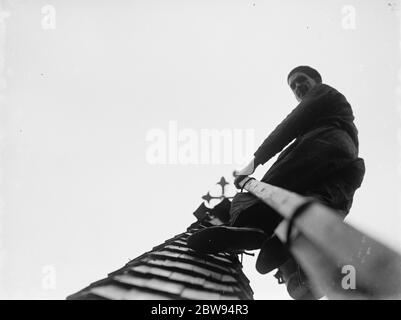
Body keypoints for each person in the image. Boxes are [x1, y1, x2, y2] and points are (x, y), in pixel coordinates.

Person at [187, 66, 365, 299]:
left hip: (322, 145)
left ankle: (254, 229)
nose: (298, 87)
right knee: (322, 200)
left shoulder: (323, 93)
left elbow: (288, 126)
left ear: (316, 80)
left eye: (301, 80)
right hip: (344, 160)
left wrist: (255, 161)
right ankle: (292, 263)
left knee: (254, 197)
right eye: (293, 86)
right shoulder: (333, 113)